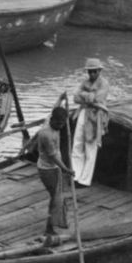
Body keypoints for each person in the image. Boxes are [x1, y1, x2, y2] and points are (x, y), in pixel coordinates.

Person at [34, 106, 73, 237]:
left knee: (59, 196)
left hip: (54, 168)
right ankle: (49, 228)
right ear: (52, 120)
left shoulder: (56, 127)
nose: (60, 126)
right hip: (47, 170)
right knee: (55, 199)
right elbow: (53, 156)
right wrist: (66, 169)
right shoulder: (46, 134)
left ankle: (60, 222)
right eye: (58, 123)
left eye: (62, 123)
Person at [71, 58, 110, 188]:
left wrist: (84, 95)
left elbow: (98, 99)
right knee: (77, 144)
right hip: (83, 112)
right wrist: (88, 96)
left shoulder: (104, 83)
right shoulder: (85, 82)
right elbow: (75, 98)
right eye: (90, 71)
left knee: (90, 146)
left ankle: (84, 180)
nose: (92, 74)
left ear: (99, 71)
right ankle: (75, 175)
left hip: (95, 115)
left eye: (94, 71)